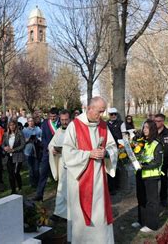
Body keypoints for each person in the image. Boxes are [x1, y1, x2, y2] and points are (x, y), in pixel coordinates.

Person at [62, 96, 117, 243]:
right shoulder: (75, 126)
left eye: (103, 112)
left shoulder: (104, 126)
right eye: (99, 111)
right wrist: (89, 154)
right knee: (81, 218)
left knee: (100, 216)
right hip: (80, 180)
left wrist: (105, 153)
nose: (101, 115)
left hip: (99, 180)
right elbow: (67, 153)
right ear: (89, 108)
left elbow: (113, 148)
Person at [131, 120, 164, 233]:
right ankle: (142, 221)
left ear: (152, 129)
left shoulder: (157, 144)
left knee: (152, 201)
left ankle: (152, 225)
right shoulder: (142, 142)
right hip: (140, 175)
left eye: (147, 127)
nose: (145, 129)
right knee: (141, 199)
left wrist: (143, 166)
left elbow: (158, 162)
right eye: (144, 127)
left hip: (151, 176)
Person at [48, 109, 71, 220]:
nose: (64, 122)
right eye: (62, 120)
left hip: (72, 164)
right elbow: (51, 144)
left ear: (70, 119)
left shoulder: (74, 131)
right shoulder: (58, 131)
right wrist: (53, 149)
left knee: (71, 189)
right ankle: (60, 212)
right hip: (62, 163)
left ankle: (71, 214)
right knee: (61, 187)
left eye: (66, 120)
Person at [33, 107, 60, 201]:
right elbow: (43, 138)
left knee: (60, 175)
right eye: (51, 116)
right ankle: (39, 194)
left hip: (60, 153)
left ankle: (61, 195)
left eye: (54, 116)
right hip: (47, 152)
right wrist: (49, 147)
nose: (52, 118)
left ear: (58, 115)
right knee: (43, 174)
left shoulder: (62, 123)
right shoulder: (45, 124)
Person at [154, 113, 168, 206]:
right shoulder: (152, 131)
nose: (156, 123)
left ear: (163, 122)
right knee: (153, 181)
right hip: (153, 161)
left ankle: (163, 199)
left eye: (158, 121)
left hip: (165, 160)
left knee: (163, 180)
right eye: (155, 121)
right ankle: (153, 199)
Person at [2, 121, 25, 194]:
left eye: (13, 125)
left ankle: (20, 187)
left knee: (16, 172)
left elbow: (23, 144)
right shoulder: (6, 134)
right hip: (9, 156)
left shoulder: (20, 134)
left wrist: (14, 150)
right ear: (8, 126)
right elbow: (2, 144)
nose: (12, 126)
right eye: (10, 125)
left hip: (18, 156)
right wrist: (5, 148)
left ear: (15, 125)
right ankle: (13, 190)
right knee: (10, 174)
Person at [106, 107, 123, 195]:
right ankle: (110, 187)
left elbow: (124, 135)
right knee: (109, 167)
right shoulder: (105, 124)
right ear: (108, 115)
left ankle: (116, 186)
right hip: (109, 148)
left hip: (118, 148)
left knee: (117, 168)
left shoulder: (121, 123)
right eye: (111, 114)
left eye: (115, 114)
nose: (113, 116)